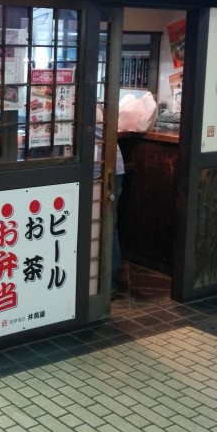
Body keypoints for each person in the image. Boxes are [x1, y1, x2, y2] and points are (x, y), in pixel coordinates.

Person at [95, 105, 125, 295]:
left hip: (104, 172)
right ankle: (106, 284)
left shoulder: (79, 101)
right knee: (106, 227)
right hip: (107, 169)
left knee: (105, 227)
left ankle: (107, 285)